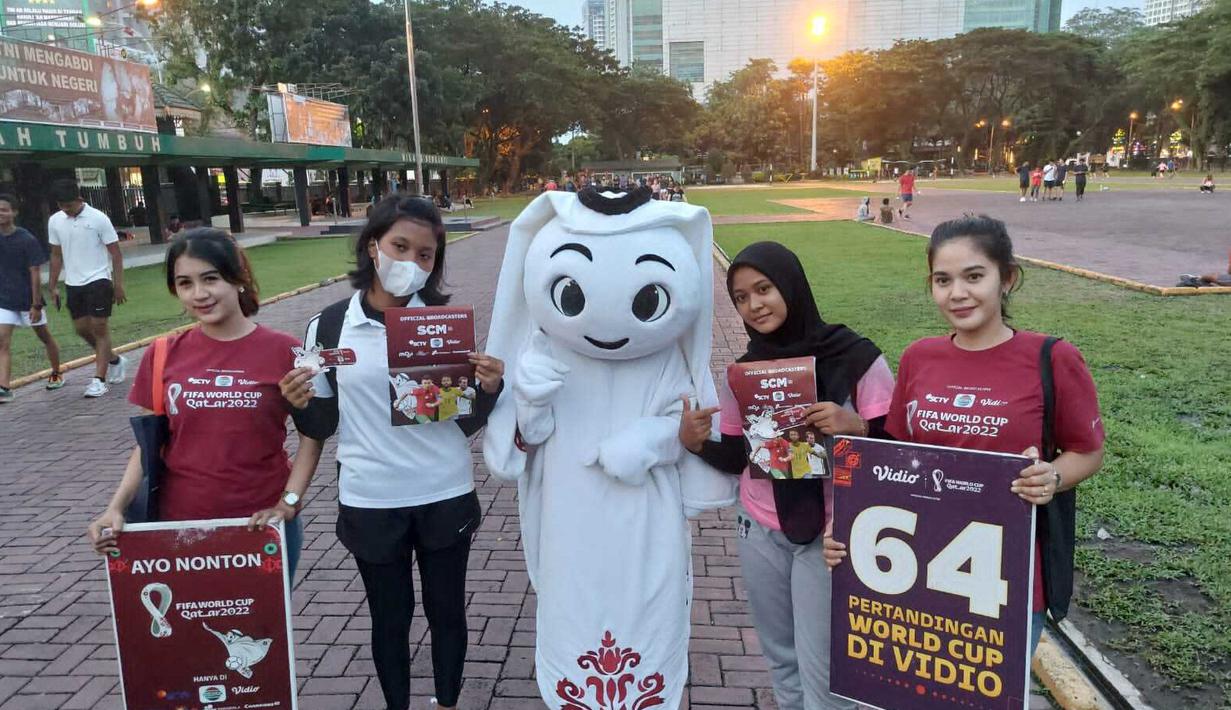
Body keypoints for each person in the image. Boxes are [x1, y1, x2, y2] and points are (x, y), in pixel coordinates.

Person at [824, 215, 1105, 660]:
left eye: (974, 276)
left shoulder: (1052, 357)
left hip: (1005, 578)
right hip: (915, 568)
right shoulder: (919, 356)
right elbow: (896, 459)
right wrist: (848, 523)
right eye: (943, 280)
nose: (957, 293)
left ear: (1006, 278)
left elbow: (1088, 452)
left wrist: (1051, 475)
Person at [282, 195, 505, 710]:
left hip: (444, 489)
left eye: (425, 255)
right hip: (371, 497)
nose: (410, 263)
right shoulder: (330, 327)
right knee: (390, 617)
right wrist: (297, 404)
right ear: (372, 247)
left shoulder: (444, 327)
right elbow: (323, 422)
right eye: (399, 246)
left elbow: (465, 420)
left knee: (447, 611)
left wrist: (488, 389)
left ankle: (447, 702)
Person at [678, 241, 895, 710]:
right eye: (740, 297)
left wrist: (853, 425)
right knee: (781, 659)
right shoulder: (744, 373)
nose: (754, 305)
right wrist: (697, 444)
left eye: (764, 289)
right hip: (760, 527)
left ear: (791, 286)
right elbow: (741, 455)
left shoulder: (854, 357)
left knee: (827, 671)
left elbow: (896, 445)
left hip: (830, 534)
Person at [86, 228, 324, 582]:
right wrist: (115, 507)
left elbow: (313, 435)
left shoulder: (285, 352)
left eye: (210, 279)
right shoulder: (164, 353)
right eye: (185, 283)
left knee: (261, 634)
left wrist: (287, 503)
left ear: (238, 279)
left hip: (261, 526)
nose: (199, 294)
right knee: (189, 634)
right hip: (179, 527)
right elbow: (148, 444)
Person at [47, 178, 127, 398]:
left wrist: (118, 284)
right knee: (82, 329)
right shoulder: (55, 221)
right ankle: (114, 360)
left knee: (99, 326)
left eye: (69, 205)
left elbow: (116, 253)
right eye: (61, 205)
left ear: (79, 199)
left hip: (99, 279)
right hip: (73, 282)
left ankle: (98, 380)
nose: (66, 209)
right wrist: (52, 286)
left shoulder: (98, 218)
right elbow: (56, 255)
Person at [0, 194, 63, 402]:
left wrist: (36, 304)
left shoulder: (26, 239)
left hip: (28, 300)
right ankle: (4, 387)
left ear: (14, 212)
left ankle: (56, 372)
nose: (1, 214)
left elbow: (35, 273)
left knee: (44, 336)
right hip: (4, 300)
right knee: (2, 341)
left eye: (5, 209)